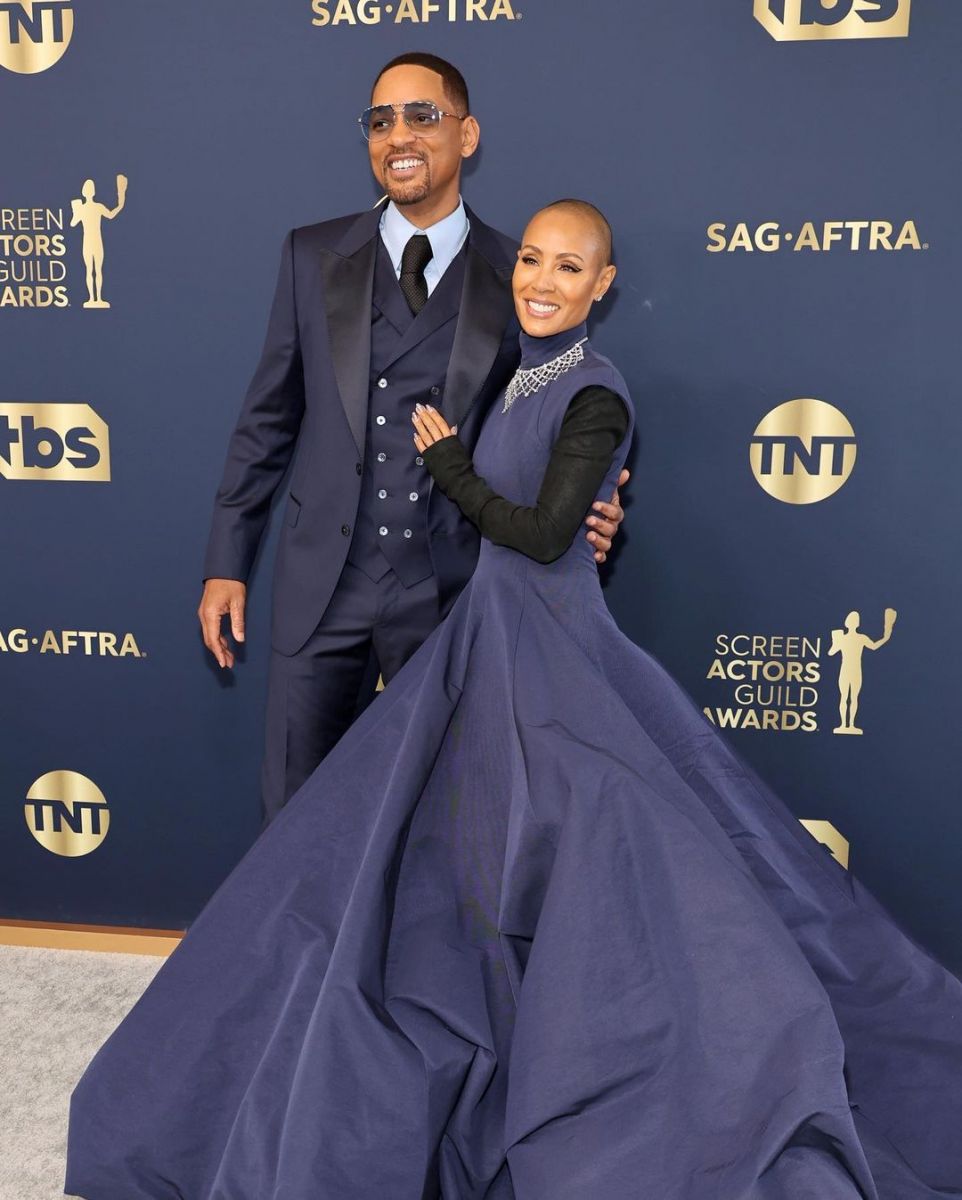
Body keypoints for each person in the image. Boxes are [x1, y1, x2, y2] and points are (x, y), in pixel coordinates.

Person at [66, 202, 962, 1199]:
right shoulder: (518, 374)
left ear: (602, 285)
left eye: (568, 268)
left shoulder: (595, 391)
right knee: (457, 870)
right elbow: (536, 508)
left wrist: (454, 466)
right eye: (532, 259)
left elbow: (540, 535)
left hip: (551, 646)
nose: (541, 280)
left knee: (573, 861)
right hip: (486, 634)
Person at [197, 52, 627, 821]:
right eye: (380, 120)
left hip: (453, 591)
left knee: (451, 825)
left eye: (422, 115)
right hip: (322, 587)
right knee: (296, 820)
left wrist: (591, 501)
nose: (399, 135)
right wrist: (227, 561)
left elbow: (551, 414)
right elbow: (268, 419)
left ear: (468, 135)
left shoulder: (519, 273)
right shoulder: (311, 255)